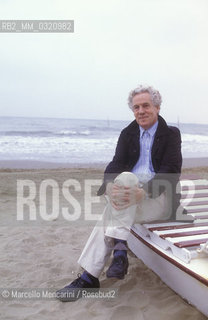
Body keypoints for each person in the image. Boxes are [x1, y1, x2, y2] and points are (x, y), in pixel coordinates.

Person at [56, 85, 182, 301]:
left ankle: (96, 270)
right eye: (136, 107)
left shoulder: (171, 134)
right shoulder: (128, 133)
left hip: (157, 199)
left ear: (157, 107)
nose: (140, 111)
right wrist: (110, 183)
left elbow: (171, 171)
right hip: (127, 197)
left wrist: (145, 192)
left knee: (118, 198)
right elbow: (115, 163)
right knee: (122, 180)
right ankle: (118, 251)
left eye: (145, 106)